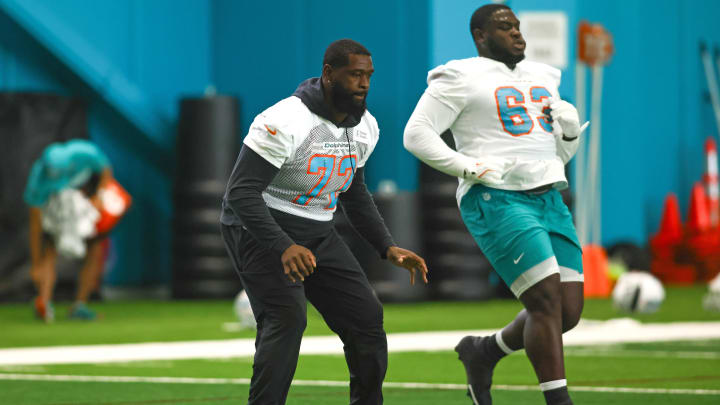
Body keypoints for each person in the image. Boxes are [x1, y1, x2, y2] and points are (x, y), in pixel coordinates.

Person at [220, 38, 429, 405]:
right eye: (355, 75)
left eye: (369, 75)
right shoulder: (284, 119)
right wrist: (283, 245)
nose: (364, 83)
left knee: (366, 317)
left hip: (317, 229)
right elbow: (240, 194)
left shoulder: (365, 128)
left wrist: (386, 245)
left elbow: (354, 192)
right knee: (287, 320)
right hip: (260, 224)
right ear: (329, 74)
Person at [403, 4, 588, 405]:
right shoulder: (460, 76)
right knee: (543, 300)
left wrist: (570, 134)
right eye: (505, 27)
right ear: (480, 36)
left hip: (548, 196)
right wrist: (465, 167)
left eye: (518, 26)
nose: (518, 34)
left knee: (567, 312)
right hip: (497, 197)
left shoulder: (543, 76)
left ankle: (484, 351)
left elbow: (557, 156)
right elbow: (416, 134)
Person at [25, 139, 117, 322]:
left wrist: (99, 197)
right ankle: (44, 302)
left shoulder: (85, 152)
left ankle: (80, 305)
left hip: (87, 205)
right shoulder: (38, 179)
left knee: (94, 249)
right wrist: (35, 264)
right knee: (50, 249)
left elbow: (106, 171)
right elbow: (35, 225)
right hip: (58, 211)